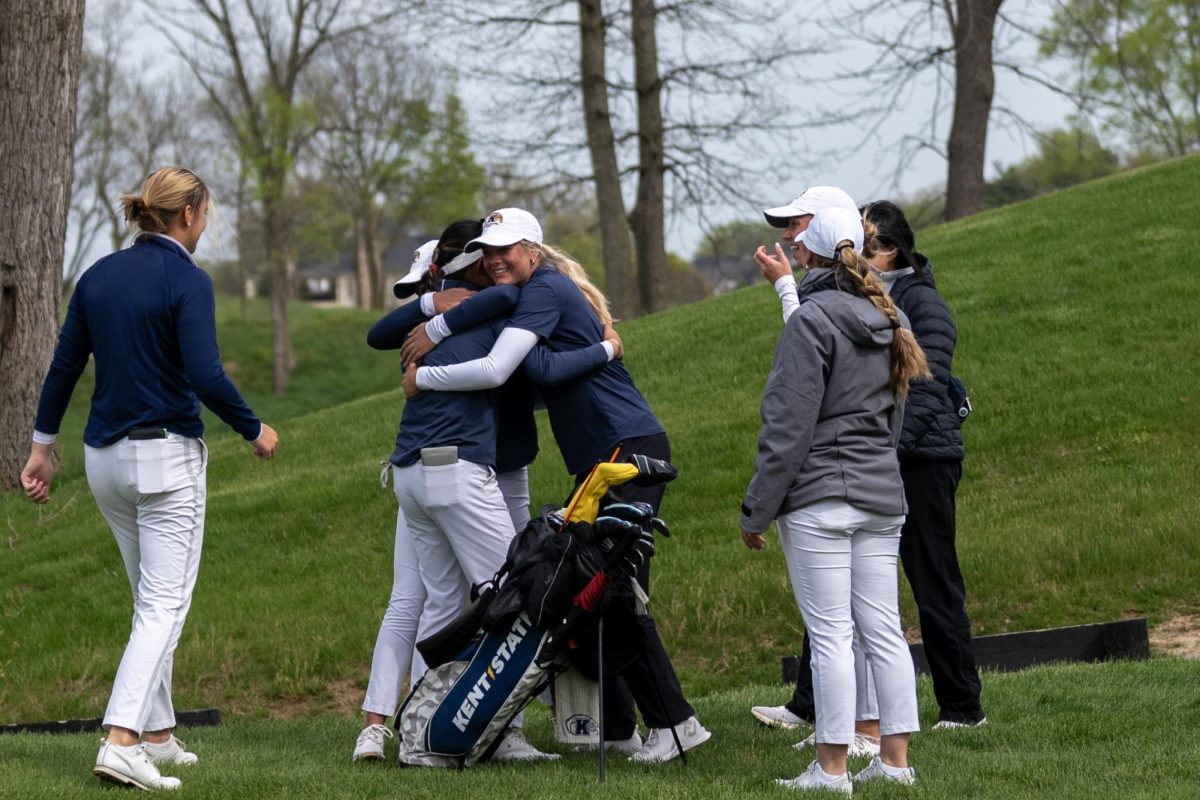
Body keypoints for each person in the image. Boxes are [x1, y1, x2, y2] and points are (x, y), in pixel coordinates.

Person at [403, 208, 710, 764]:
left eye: (508, 249)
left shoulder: (541, 289)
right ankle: (616, 726)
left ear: (534, 251)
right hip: (603, 456)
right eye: (489, 250)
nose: (496, 259)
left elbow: (533, 371)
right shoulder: (539, 290)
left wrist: (426, 367)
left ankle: (675, 724)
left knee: (615, 590)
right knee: (594, 592)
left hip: (625, 449)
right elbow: (542, 380)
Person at [20, 166, 278, 791]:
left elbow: (62, 369)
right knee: (165, 604)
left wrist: (41, 449)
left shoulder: (97, 275)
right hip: (165, 460)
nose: (206, 224)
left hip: (104, 460)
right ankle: (121, 740)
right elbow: (207, 375)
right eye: (205, 214)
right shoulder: (188, 278)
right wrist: (254, 428)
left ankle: (157, 733)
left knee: (148, 602)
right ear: (186, 214)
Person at [351, 220, 613, 762]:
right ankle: (504, 733)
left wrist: (434, 313)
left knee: (441, 604)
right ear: (472, 264)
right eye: (486, 254)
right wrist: (606, 349)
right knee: (515, 596)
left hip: (409, 474)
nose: (496, 263)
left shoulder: (453, 315)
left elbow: (381, 334)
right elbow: (512, 363)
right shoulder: (497, 305)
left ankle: (419, 735)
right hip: (457, 472)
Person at [740, 206, 927, 793]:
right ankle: (895, 764)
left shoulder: (811, 320)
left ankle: (831, 771)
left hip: (821, 498)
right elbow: (895, 416)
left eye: (796, 244)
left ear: (807, 256)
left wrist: (757, 509)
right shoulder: (887, 313)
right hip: (880, 495)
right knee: (885, 631)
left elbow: (787, 426)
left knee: (831, 638)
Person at [749, 187, 883, 755]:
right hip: (873, 482)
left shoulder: (838, 300)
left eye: (798, 225)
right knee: (865, 628)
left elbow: (797, 406)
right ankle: (876, 743)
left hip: (829, 483)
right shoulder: (868, 302)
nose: (789, 236)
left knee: (840, 632)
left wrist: (759, 505)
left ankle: (841, 753)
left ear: (828, 230)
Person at [862, 200, 985, 729]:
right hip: (883, 458)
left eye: (864, 248)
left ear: (889, 252)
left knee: (933, 584)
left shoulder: (923, 303)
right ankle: (808, 706)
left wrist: (883, 452)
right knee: (847, 577)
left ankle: (962, 708)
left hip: (925, 462)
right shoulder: (864, 297)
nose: (855, 257)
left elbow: (928, 390)